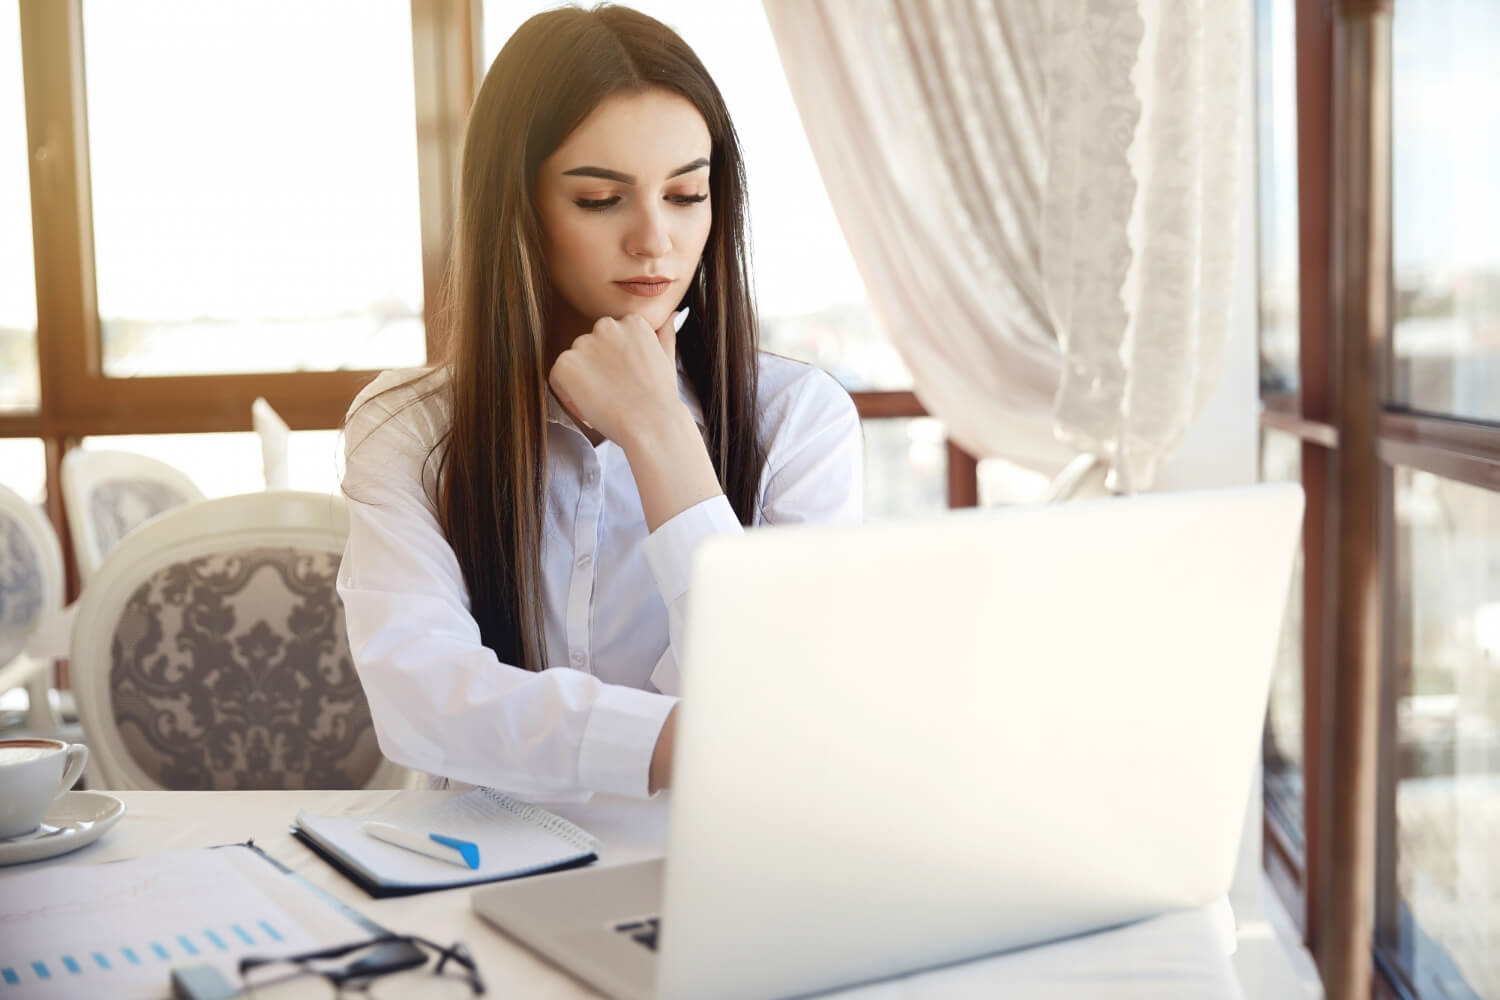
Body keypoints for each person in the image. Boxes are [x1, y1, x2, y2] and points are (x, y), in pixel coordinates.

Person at [339, 3, 861, 803]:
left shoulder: (800, 419)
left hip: (706, 862)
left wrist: (658, 432)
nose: (655, 239)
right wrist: (693, 744)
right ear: (517, 208)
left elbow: (783, 694)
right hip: (469, 866)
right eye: (598, 200)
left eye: (686, 194)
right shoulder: (410, 428)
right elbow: (424, 697)